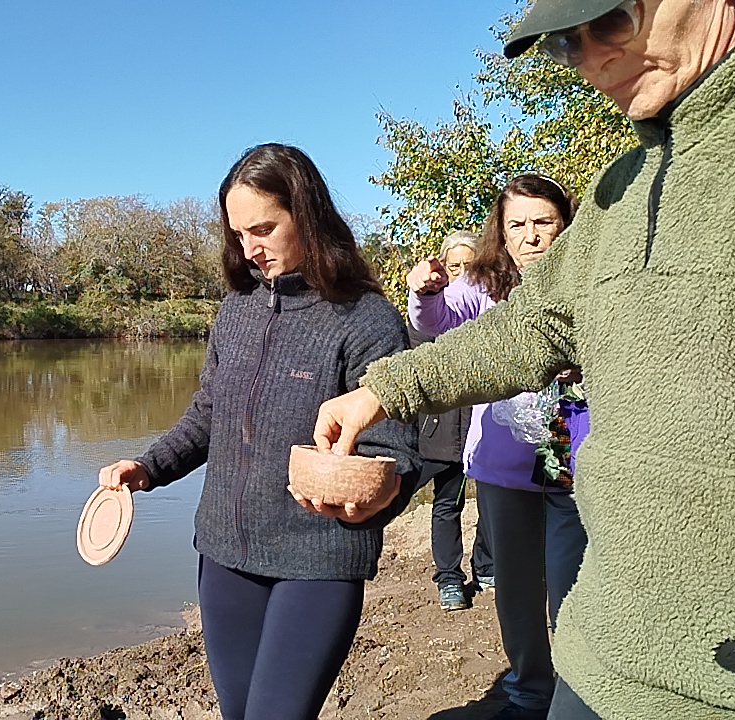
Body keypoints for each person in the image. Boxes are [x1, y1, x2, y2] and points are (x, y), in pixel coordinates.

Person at [303, 1, 735, 718]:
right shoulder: (618, 189)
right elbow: (528, 328)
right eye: (562, 43)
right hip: (601, 653)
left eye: (610, 19)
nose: (588, 58)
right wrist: (380, 391)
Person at [97, 143, 420, 720]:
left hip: (319, 559)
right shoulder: (236, 309)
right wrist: (148, 466)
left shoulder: (366, 319)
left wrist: (373, 496)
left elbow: (393, 451)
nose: (250, 249)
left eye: (264, 228)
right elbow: (207, 415)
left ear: (308, 216)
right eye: (239, 233)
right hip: (224, 553)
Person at [405, 175, 589, 718]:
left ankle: (576, 691)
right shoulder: (482, 286)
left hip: (570, 451)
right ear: (501, 234)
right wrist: (427, 290)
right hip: (502, 458)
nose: (531, 236)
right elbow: (433, 324)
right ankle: (530, 690)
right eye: (518, 225)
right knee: (514, 584)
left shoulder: (591, 278)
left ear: (565, 226)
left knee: (570, 579)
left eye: (543, 222)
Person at [407, 230, 495, 612]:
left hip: (484, 429)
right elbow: (414, 366)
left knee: (491, 504)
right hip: (438, 432)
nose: (461, 274)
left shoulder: (491, 309)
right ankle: (448, 578)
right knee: (445, 505)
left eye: (469, 266)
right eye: (453, 266)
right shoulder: (427, 316)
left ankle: (487, 569)